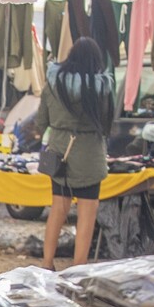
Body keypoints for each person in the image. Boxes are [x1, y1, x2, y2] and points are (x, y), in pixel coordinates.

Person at [40, 36, 116, 268]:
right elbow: (107, 125)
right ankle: (79, 266)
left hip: (61, 153)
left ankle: (47, 262)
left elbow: (42, 119)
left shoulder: (53, 84)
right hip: (90, 156)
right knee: (87, 216)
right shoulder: (101, 88)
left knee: (57, 211)